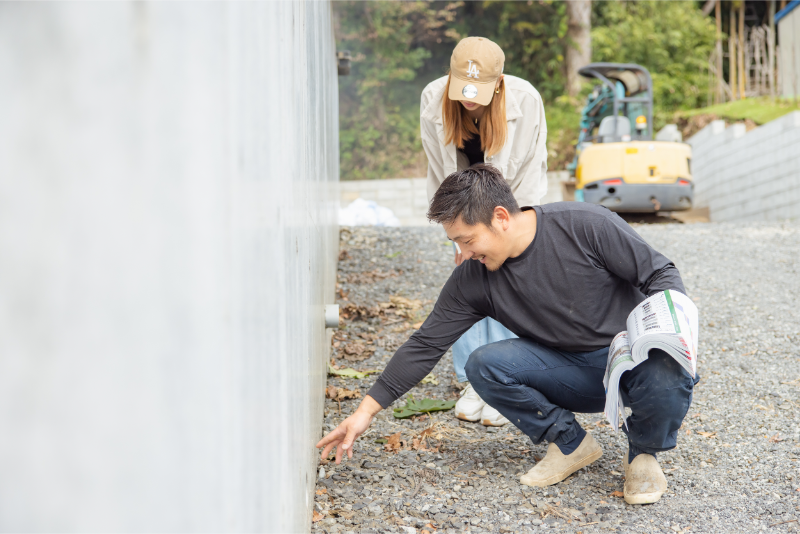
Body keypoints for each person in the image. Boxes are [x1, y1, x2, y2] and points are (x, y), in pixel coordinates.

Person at [317, 165, 698, 505]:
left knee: (667, 362)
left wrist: (670, 329)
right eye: (456, 243)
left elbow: (660, 274)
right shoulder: (474, 278)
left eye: (467, 240)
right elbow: (426, 343)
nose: (464, 253)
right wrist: (365, 412)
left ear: (500, 217)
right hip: (570, 373)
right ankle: (570, 444)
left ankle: (644, 454)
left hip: (629, 362)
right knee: (483, 363)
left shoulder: (586, 224)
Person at [420, 36, 548, 426]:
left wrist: (508, 231)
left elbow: (527, 173)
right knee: (468, 279)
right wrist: (459, 233)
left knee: (509, 279)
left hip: (509, 201)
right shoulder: (433, 99)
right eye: (463, 90)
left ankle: (506, 379)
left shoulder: (525, 101)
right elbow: (438, 168)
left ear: (499, 83)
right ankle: (473, 379)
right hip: (461, 200)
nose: (469, 101)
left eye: (479, 93)